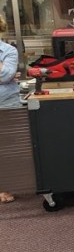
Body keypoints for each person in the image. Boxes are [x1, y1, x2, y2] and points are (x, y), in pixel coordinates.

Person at [0, 15, 22, 203]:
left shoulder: (9, 50)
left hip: (6, 103)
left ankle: (6, 186)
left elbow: (6, 75)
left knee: (7, 147)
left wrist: (9, 75)